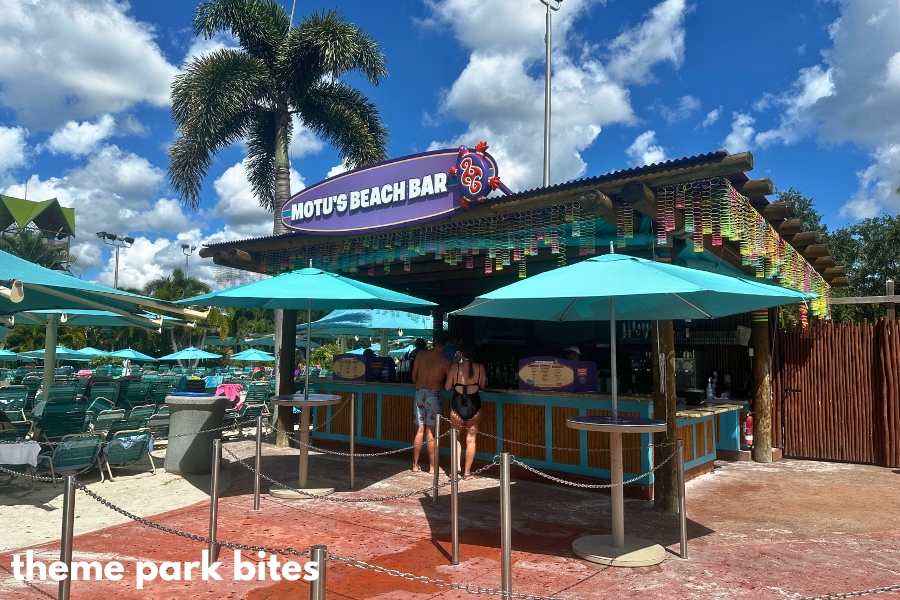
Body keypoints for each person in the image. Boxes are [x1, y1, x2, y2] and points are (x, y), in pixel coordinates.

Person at [411, 330, 452, 474]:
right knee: (430, 431)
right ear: (447, 343)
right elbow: (449, 383)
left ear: (434, 340)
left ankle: (415, 465)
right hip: (434, 395)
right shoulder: (446, 362)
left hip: (419, 393)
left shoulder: (421, 354)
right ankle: (433, 467)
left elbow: (413, 376)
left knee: (419, 430)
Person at [445, 344, 486, 480]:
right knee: (471, 440)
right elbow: (483, 385)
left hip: (457, 404)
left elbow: (447, 387)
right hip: (474, 404)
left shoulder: (455, 367)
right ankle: (467, 473)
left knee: (456, 438)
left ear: (461, 354)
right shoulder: (480, 368)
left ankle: (455, 470)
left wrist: (455, 363)